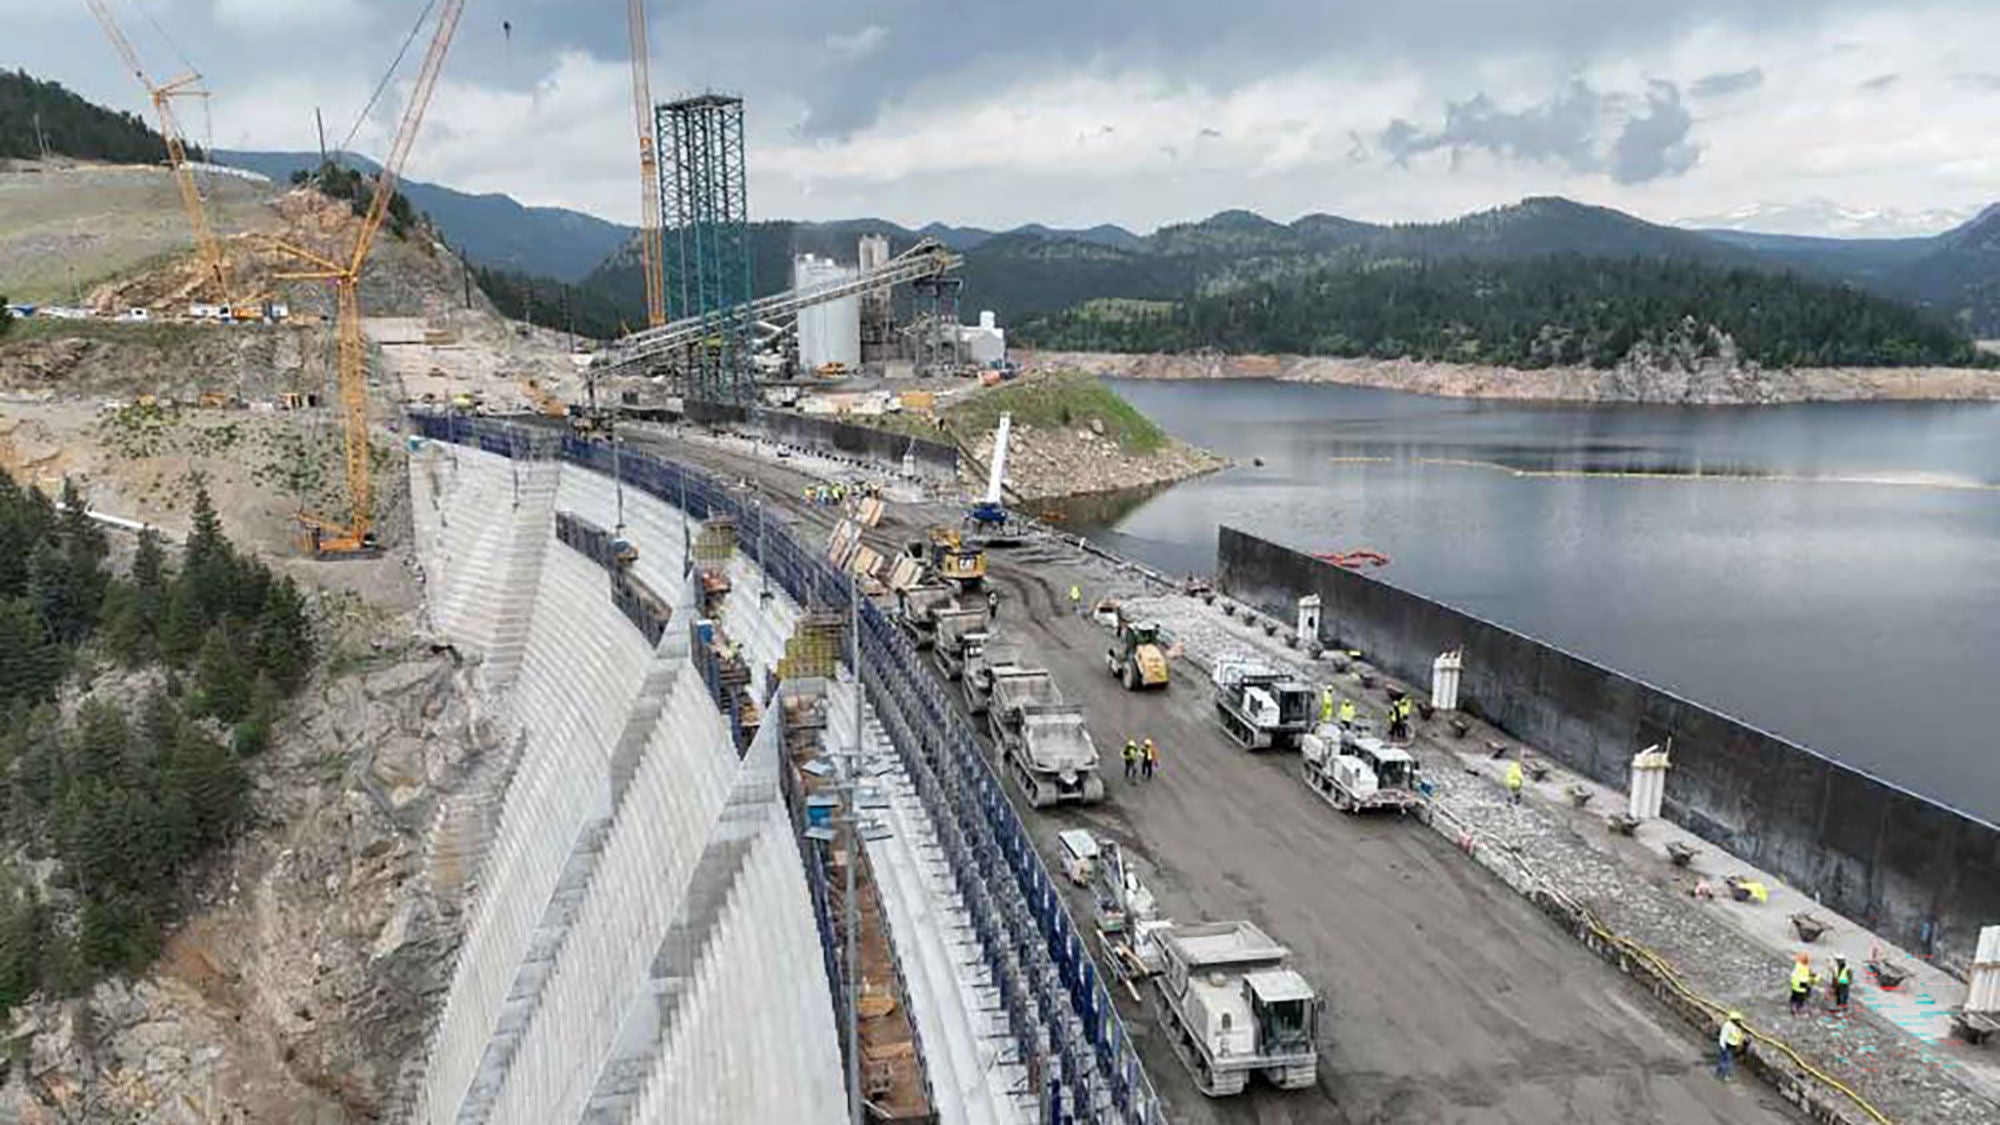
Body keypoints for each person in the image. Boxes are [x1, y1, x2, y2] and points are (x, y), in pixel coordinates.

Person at [1716, 1011, 1746, 1080]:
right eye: (1738, 1019)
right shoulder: (1728, 1026)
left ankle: (1719, 1072)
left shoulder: (1737, 1026)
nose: (1740, 1021)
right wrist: (1722, 1046)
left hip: (1732, 1045)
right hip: (1727, 1045)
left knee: (1724, 1059)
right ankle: (1725, 1075)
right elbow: (1723, 1036)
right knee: (1727, 1061)